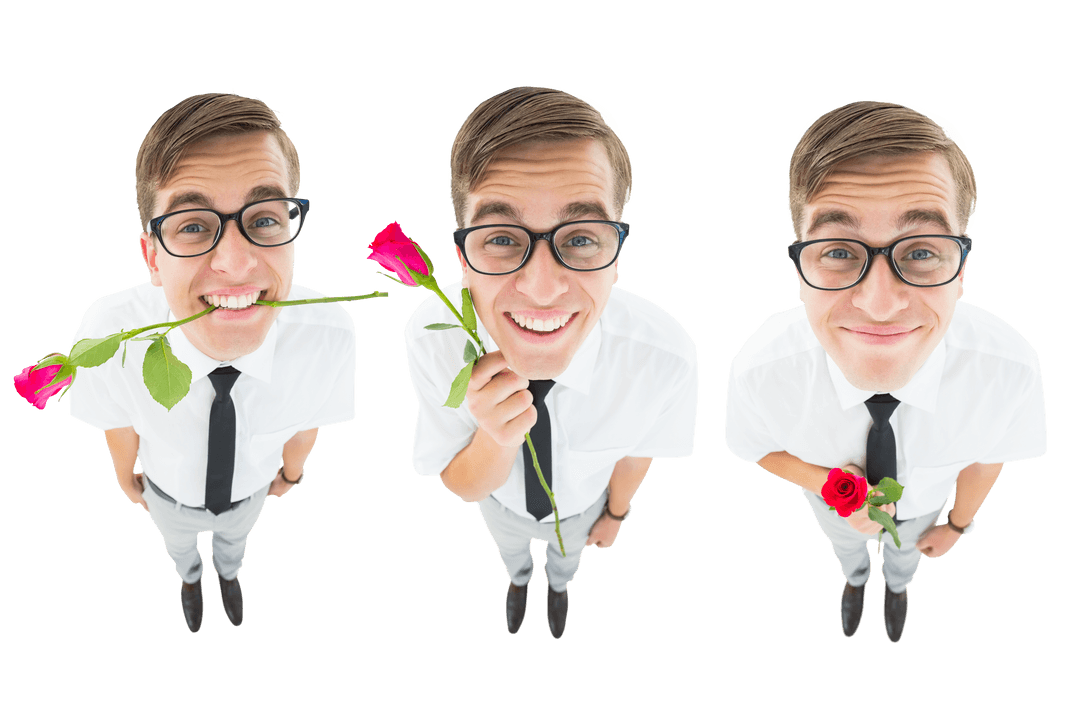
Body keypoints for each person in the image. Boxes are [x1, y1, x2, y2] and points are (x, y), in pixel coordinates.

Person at [725, 100, 1046, 642]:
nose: (879, 304)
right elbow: (754, 446)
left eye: (921, 251)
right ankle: (853, 584)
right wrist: (827, 484)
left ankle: (896, 590)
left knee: (904, 559)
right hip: (834, 511)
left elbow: (989, 457)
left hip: (922, 514)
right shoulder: (762, 368)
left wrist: (957, 526)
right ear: (800, 269)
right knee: (847, 549)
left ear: (962, 268)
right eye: (839, 252)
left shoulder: (1007, 370)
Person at [404, 86, 698, 639]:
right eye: (500, 238)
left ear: (617, 252)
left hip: (582, 510)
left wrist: (614, 514)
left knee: (566, 562)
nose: (540, 288)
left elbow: (639, 452)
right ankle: (517, 587)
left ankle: (559, 591)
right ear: (462, 255)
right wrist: (494, 434)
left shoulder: (665, 356)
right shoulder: (433, 336)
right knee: (512, 555)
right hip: (500, 504)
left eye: (582, 237)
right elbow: (463, 484)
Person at [70, 92, 356, 632]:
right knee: (179, 546)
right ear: (153, 256)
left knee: (236, 543)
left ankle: (228, 576)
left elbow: (308, 417)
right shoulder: (110, 333)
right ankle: (189, 579)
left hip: (250, 491)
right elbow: (119, 419)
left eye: (265, 219)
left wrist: (290, 476)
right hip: (167, 493)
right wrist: (126, 477)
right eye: (194, 226)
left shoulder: (328, 331)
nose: (235, 263)